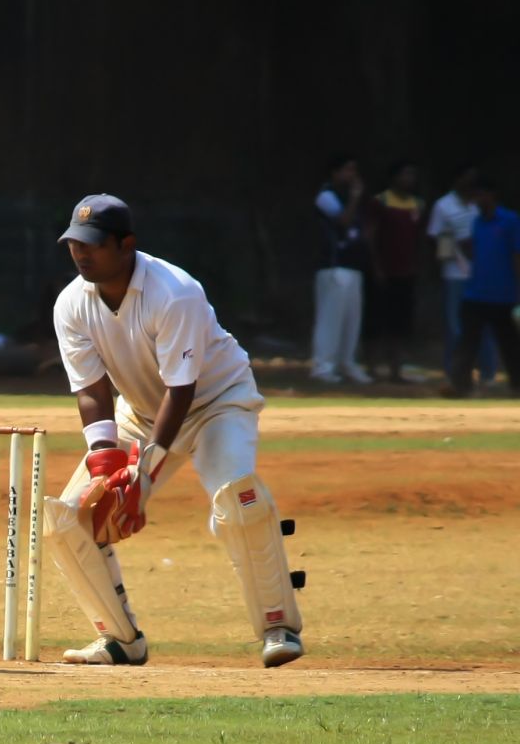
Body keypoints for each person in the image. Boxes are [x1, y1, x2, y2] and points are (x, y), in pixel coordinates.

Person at [46, 194, 306, 669]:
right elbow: (91, 390)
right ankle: (120, 640)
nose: (81, 254)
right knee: (69, 518)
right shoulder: (71, 304)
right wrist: (107, 464)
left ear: (127, 244)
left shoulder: (174, 292)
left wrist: (142, 475)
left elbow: (181, 391)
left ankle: (278, 626)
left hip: (216, 403)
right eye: (73, 244)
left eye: (93, 245)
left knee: (237, 499)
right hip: (142, 413)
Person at [442, 177, 520, 398]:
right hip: (476, 292)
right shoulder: (477, 222)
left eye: (480, 195)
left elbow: (517, 255)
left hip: (503, 294)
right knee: (467, 340)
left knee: (510, 344)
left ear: (491, 195)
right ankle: (459, 385)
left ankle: (517, 385)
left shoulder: (510, 221)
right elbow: (477, 254)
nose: (476, 200)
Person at [428, 164, 495, 385]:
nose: (471, 184)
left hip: (481, 275)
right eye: (467, 179)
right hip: (454, 275)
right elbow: (437, 239)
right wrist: (448, 257)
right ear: (457, 180)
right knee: (456, 325)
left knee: (485, 326)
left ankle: (488, 374)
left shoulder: (480, 206)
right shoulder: (443, 206)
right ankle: (455, 372)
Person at [310, 154, 371, 384]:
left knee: (351, 319)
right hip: (333, 267)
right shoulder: (326, 196)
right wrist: (355, 197)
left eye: (354, 171)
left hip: (353, 265)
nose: (352, 176)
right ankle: (323, 367)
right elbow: (343, 221)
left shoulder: (350, 199)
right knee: (330, 318)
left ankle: (347, 363)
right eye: (347, 170)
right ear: (334, 173)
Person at [366, 161, 425, 383]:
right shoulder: (380, 202)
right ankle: (371, 367)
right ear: (393, 177)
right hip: (383, 271)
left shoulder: (417, 204)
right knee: (376, 319)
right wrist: (376, 267)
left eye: (412, 175)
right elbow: (371, 235)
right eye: (405, 175)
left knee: (400, 323)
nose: (409, 180)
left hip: (406, 272)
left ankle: (396, 370)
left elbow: (418, 239)